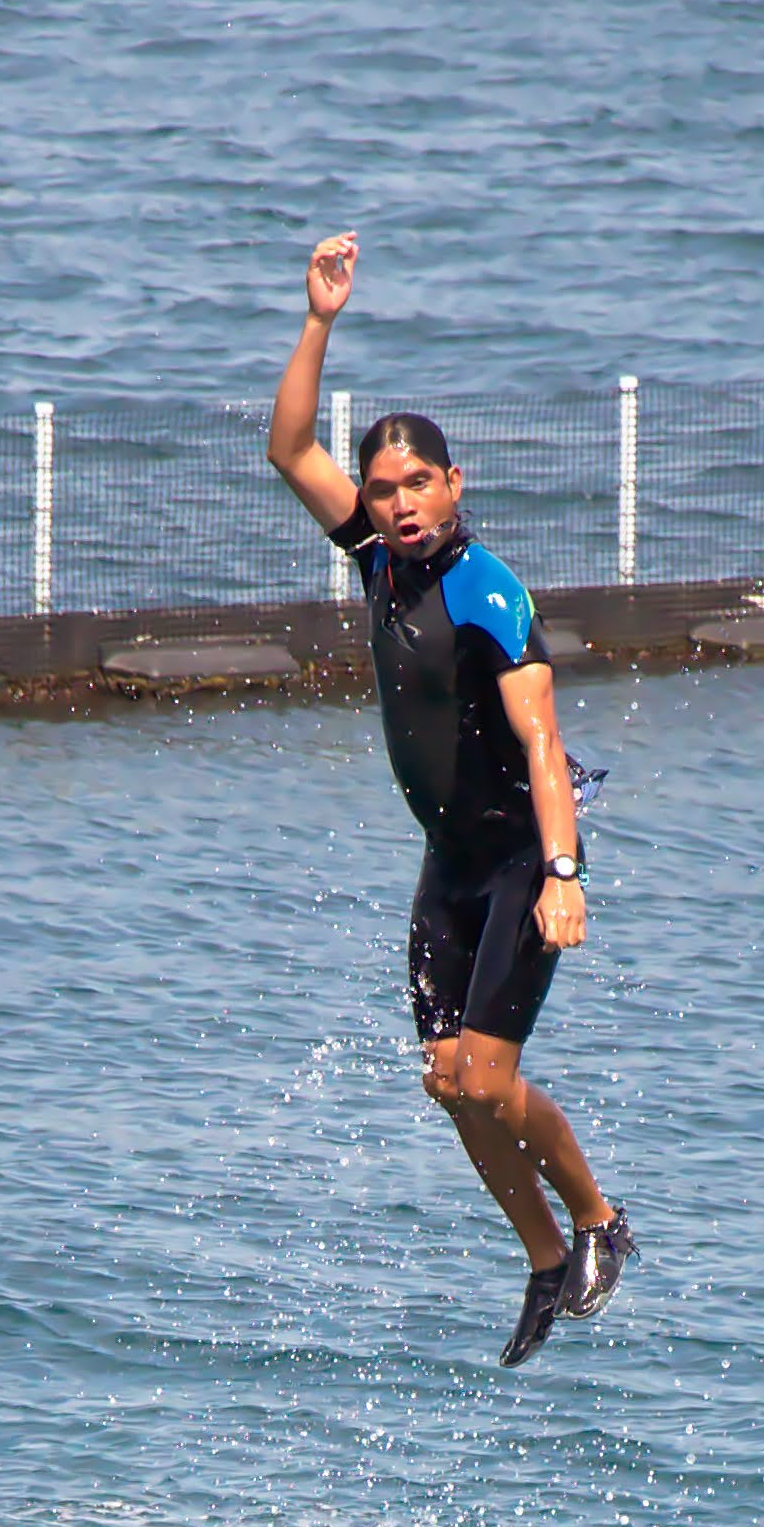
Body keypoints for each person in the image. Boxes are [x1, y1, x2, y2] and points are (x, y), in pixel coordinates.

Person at [267, 231, 632, 1367]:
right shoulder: (378, 562)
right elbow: (286, 447)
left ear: (452, 484)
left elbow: (541, 740)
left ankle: (600, 1222)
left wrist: (564, 878)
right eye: (379, 489)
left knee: (487, 1074)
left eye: (415, 482)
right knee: (445, 1082)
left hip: (522, 856)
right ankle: (539, 1261)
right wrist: (319, 319)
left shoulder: (487, 590)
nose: (396, 503)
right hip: (446, 863)